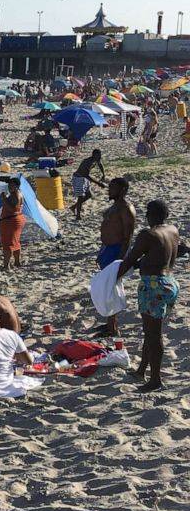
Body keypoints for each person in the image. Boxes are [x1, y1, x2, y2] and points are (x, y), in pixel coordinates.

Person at [116, 199, 180, 392]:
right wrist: (145, 262)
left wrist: (111, 279)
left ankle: (155, 380)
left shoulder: (147, 234)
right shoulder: (173, 230)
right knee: (150, 330)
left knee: (153, 334)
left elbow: (129, 259)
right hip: (170, 284)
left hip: (154, 286)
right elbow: (168, 253)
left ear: (148, 215)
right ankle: (141, 370)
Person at [95, 177, 136, 336]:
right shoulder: (115, 207)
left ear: (123, 190)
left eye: (113, 188)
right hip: (107, 249)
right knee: (107, 288)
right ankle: (109, 323)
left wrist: (120, 259)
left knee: (111, 288)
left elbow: (128, 236)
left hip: (116, 251)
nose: (109, 190)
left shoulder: (126, 208)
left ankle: (112, 327)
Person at [69, 149, 106, 220]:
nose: (100, 157)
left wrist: (103, 174)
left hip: (84, 178)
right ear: (94, 155)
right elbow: (86, 175)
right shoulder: (87, 162)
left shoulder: (96, 160)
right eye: (99, 155)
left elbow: (100, 164)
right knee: (80, 197)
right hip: (78, 178)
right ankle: (78, 216)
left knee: (89, 195)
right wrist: (98, 183)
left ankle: (74, 207)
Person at [0, 177, 26, 270]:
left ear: (17, 186)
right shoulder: (17, 193)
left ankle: (6, 266)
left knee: (8, 244)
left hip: (11, 221)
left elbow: (13, 209)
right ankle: (17, 262)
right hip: (15, 220)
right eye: (9, 185)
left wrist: (4, 199)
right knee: (15, 242)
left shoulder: (16, 195)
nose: (9, 186)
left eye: (11, 185)